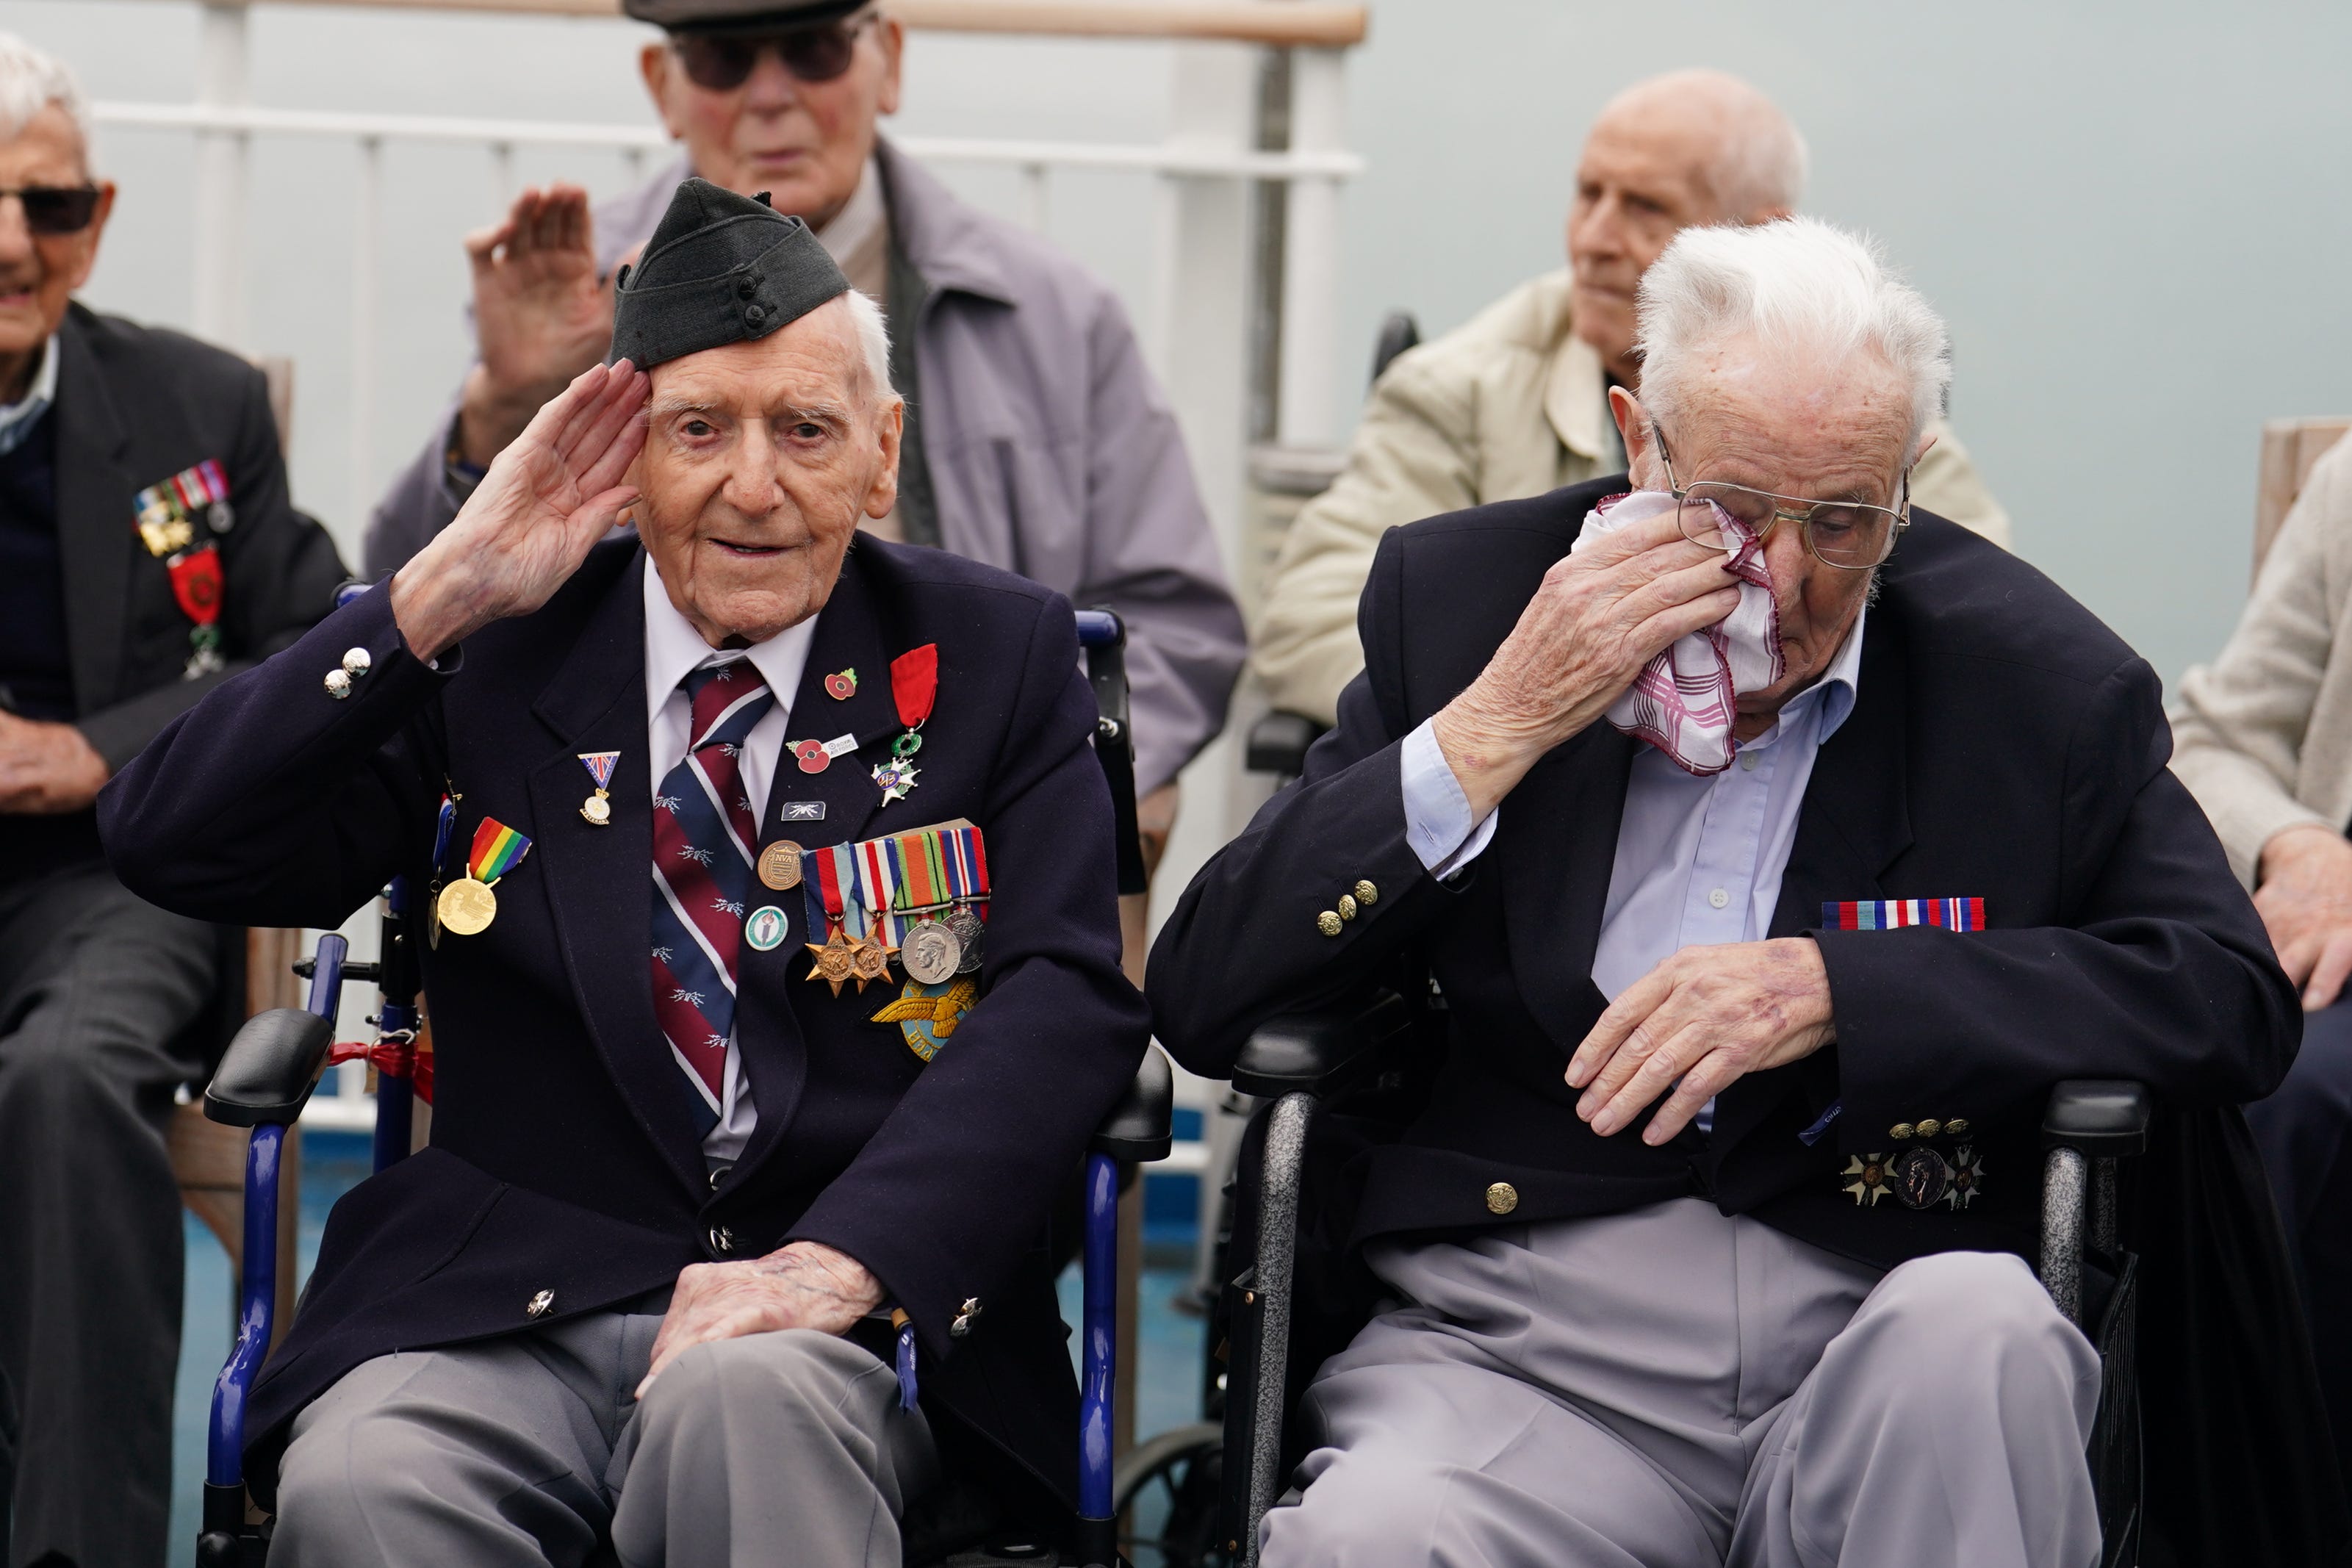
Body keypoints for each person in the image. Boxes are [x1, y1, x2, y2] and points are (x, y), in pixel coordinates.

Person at [1148, 217, 2296, 1567]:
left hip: (1874, 1313)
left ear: (1906, 487)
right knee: (1370, 1534)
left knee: (1989, 1335)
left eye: (1844, 518)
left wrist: (1843, 988)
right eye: (1737, 512)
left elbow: (2224, 991)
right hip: (1525, 1351)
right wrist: (1497, 725)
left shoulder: (2032, 685)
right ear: (1642, 444)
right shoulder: (1467, 606)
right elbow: (1207, 991)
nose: (1791, 577)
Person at [104, 177, 1148, 1566]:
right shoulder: (501, 646)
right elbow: (171, 833)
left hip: (835, 1303)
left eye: (806, 429)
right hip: (494, 1298)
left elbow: (1065, 996)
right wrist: (441, 586)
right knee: (361, 1480)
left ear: (882, 454)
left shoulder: (996, 659)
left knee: (745, 1404)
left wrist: (846, 1263)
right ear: (623, 455)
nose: (754, 484)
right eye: (696, 429)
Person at [364, 0, 1242, 871]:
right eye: (723, 60)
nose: (771, 95)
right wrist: (504, 407)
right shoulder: (578, 293)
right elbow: (412, 630)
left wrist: (1042, 783)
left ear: (888, 62)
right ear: (661, 86)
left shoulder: (1055, 316)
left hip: (967, 822)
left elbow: (1176, 625)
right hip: (627, 814)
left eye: (814, 51)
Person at [0, 33, 345, 1567]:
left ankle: (79, 1547)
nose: (13, 244)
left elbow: (322, 643)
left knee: (70, 1080)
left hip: (113, 877)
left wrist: (105, 741)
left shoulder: (199, 405)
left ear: (102, 215)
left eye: (50, 207)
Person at [1251, 68, 2012, 730]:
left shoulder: (1846, 410)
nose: (1595, 239)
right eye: (1589, 195)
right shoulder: (1458, 389)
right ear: (1633, 429)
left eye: (1644, 207)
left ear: (1759, 237)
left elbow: (1983, 627)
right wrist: (1565, 699)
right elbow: (1309, 623)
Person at [2170, 432, 2352, 1493]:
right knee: (2244, 1078)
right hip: (2329, 936)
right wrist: (2298, 844)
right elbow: (2209, 739)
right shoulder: (2346, 489)